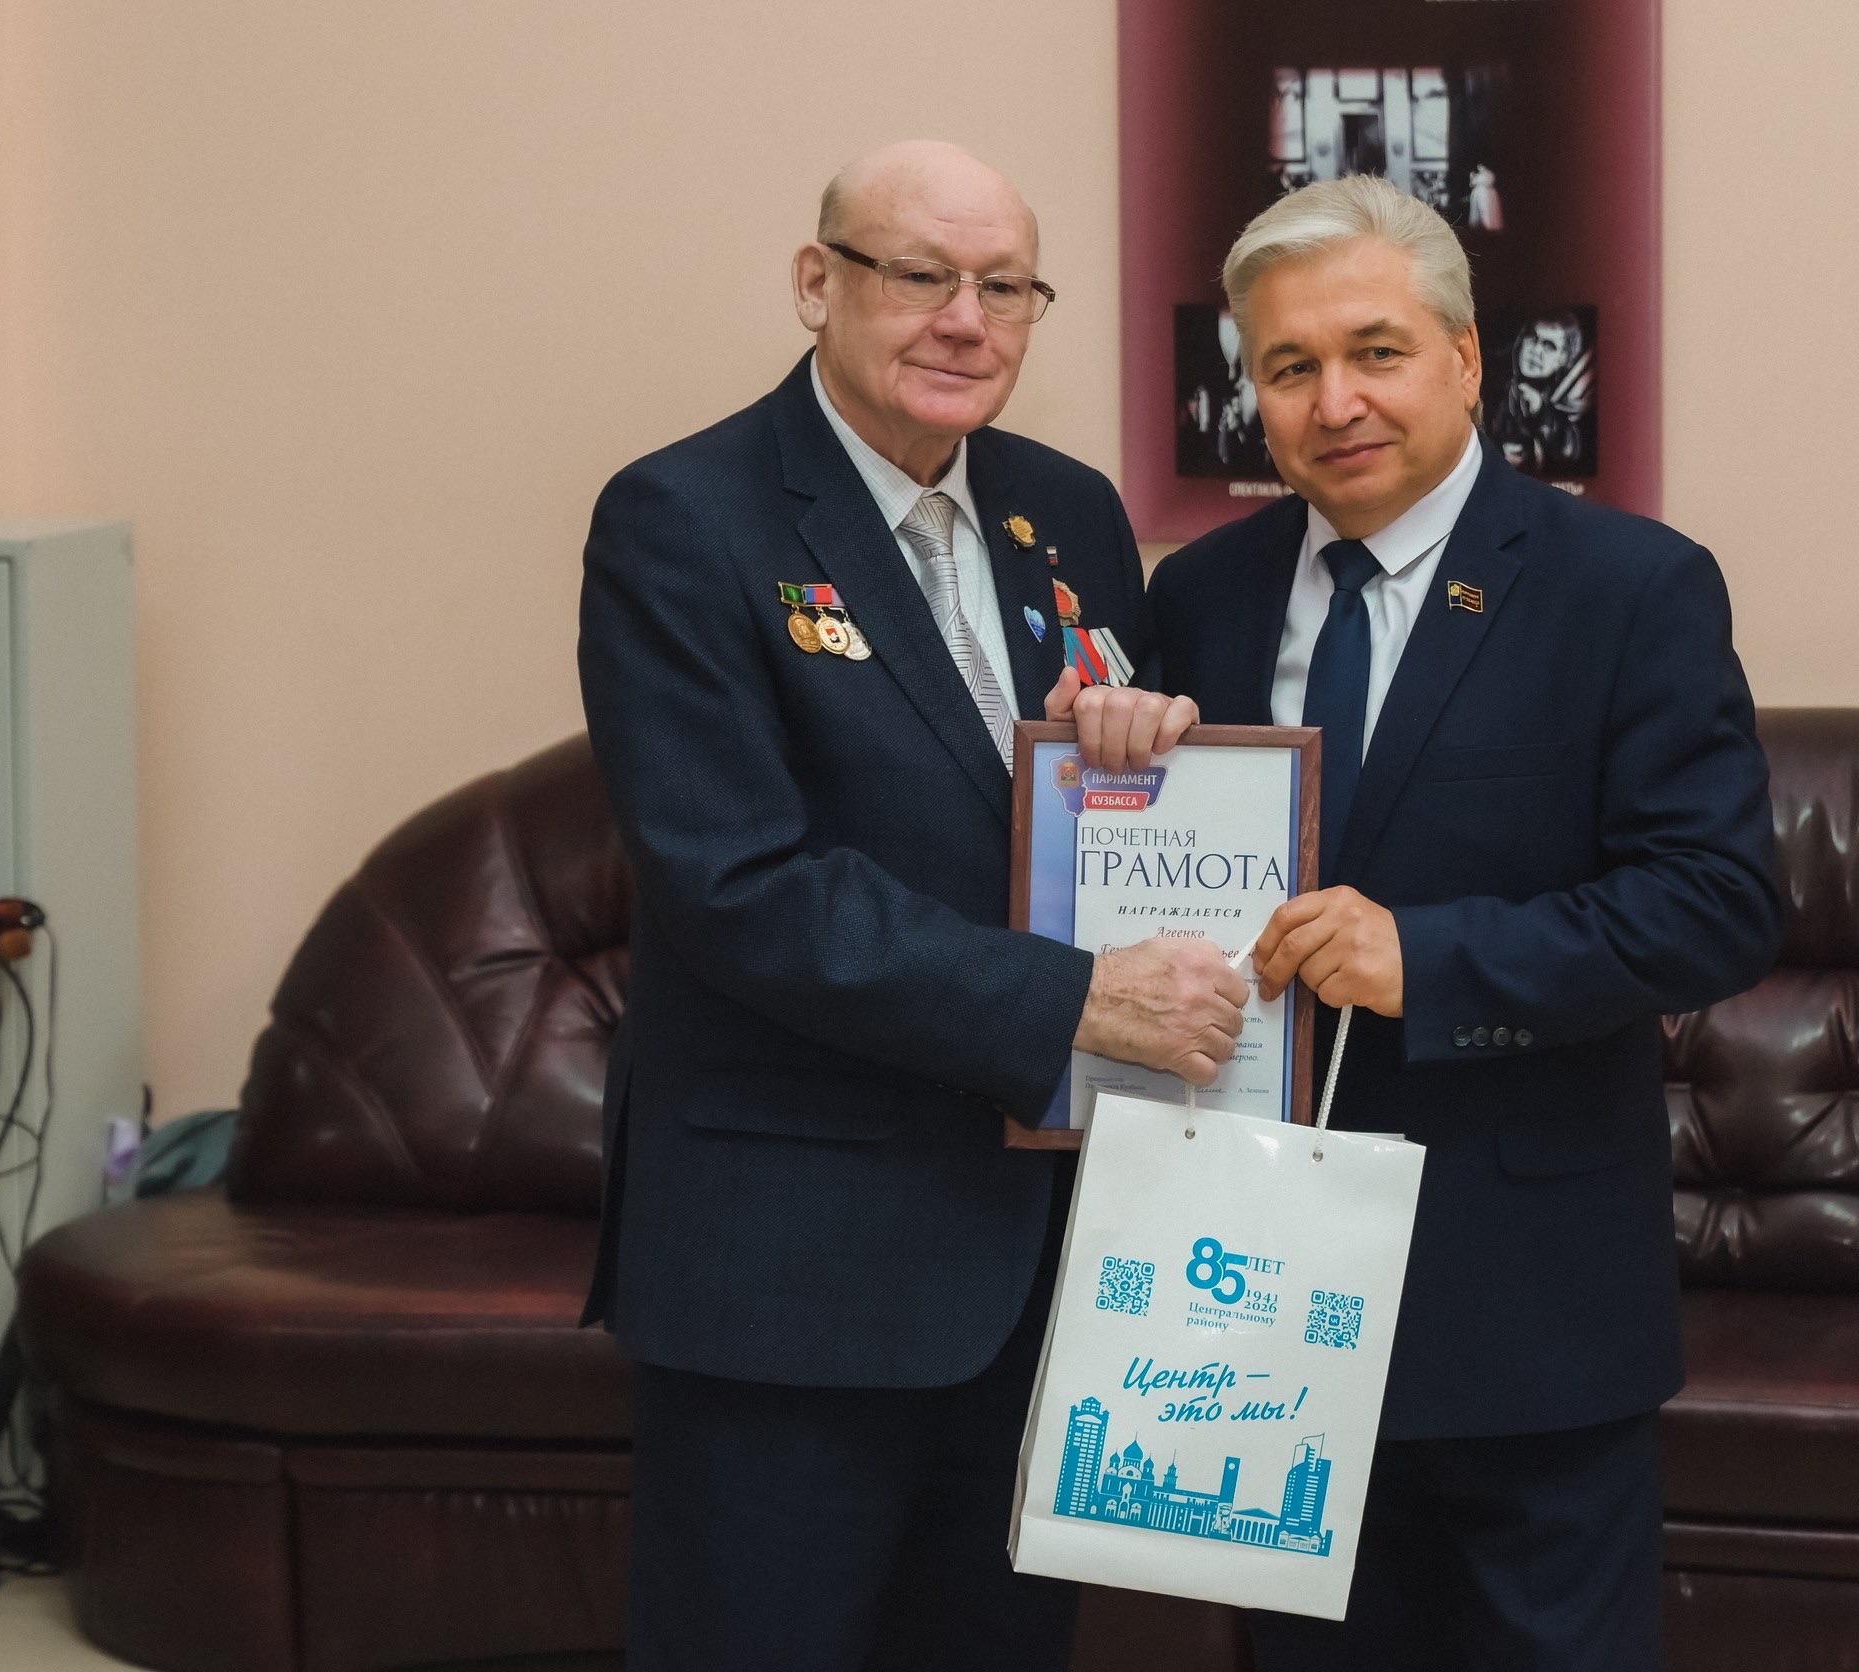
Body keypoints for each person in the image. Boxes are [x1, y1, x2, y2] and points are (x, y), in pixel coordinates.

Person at [577, 138, 1238, 1672]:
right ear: (818, 284)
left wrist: (1137, 750)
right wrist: (1078, 1004)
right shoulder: (685, 518)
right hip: (792, 1266)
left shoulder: (1068, 514)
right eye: (922, 274)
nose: (965, 321)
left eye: (1005, 288)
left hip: (1038, 1261)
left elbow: (1088, 823)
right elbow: (740, 885)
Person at [1148, 174, 1784, 1669]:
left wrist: (1428, 958)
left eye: (1375, 351)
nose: (1336, 402)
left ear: (1465, 357)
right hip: (1253, 1304)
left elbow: (1717, 905)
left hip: (1524, 1299)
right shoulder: (1199, 598)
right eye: (1290, 367)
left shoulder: (1628, 586)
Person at [1487, 315, 1593, 476]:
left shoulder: (1566, 402)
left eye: (1549, 346)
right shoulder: (1494, 392)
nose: (1536, 351)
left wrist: (1540, 411)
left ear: (1564, 358)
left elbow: (1569, 452)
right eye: (1532, 338)